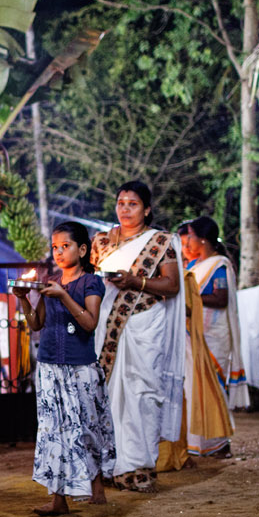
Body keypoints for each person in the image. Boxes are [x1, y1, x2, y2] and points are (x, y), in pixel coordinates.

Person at [13, 221, 114, 516]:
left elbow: (89, 323)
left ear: (82, 250)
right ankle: (58, 498)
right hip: (49, 366)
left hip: (80, 367)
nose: (58, 252)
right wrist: (24, 299)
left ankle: (97, 487)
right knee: (52, 430)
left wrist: (64, 296)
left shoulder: (90, 283)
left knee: (86, 426)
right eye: (54, 247)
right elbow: (35, 324)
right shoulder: (49, 283)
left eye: (65, 246)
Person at [91, 181, 186, 491]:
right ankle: (110, 464)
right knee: (107, 396)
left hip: (144, 325)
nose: (125, 209)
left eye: (132, 204)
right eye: (121, 203)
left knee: (141, 394)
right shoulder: (101, 242)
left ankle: (138, 468)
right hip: (107, 326)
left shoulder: (160, 242)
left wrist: (136, 281)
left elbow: (171, 286)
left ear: (146, 209)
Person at [177, 216, 249, 413]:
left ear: (202, 239)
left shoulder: (219, 265)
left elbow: (221, 299)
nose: (188, 241)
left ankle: (215, 439)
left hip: (212, 337)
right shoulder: (191, 266)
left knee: (212, 391)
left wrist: (190, 302)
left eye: (190, 236)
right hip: (190, 336)